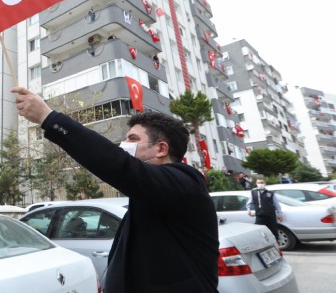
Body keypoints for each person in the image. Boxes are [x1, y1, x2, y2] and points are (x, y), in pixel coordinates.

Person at [11, 86, 218, 292]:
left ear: (161, 149)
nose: (123, 145)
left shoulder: (185, 182)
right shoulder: (150, 194)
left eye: (133, 139)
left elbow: (117, 164)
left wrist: (48, 117)